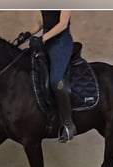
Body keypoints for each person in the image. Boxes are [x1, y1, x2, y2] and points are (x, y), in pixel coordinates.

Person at [17, 10, 76, 143]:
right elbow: (41, 21)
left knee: (56, 80)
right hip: (46, 43)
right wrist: (28, 33)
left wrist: (42, 38)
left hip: (61, 44)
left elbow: (63, 24)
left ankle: (68, 123)